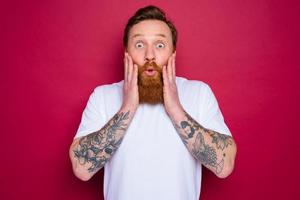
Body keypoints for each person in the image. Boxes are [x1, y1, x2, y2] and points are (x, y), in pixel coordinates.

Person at [69, 5, 237, 200]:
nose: (150, 55)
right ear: (126, 53)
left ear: (173, 53)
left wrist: (175, 109)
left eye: (159, 45)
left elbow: (224, 166)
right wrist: (128, 107)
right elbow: (81, 169)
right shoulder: (102, 96)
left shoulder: (199, 93)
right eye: (139, 45)